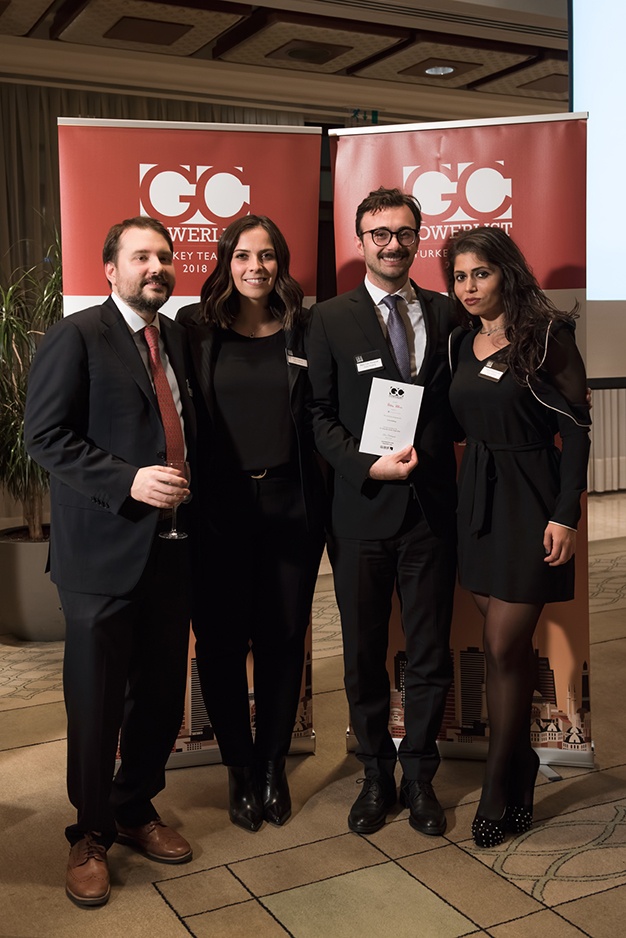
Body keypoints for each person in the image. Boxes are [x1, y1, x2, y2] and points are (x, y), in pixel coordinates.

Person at [24, 217, 196, 907]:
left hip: (173, 549)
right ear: (110, 270)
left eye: (164, 256)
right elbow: (45, 436)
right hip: (100, 555)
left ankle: (133, 807)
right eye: (141, 256)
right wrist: (128, 480)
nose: (156, 266)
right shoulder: (76, 336)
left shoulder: (175, 337)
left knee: (159, 694)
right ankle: (89, 832)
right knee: (96, 703)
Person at [306, 187, 458, 837]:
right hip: (360, 511)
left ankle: (420, 777)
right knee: (364, 655)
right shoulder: (329, 319)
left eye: (404, 233)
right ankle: (375, 773)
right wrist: (366, 465)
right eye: (380, 234)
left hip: (430, 512)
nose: (392, 245)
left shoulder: (449, 313)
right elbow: (318, 413)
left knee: (429, 654)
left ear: (418, 237)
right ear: (361, 241)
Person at [177, 215, 325, 832]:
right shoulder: (194, 328)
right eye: (242, 255)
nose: (255, 267)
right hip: (220, 507)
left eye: (266, 256)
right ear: (225, 261)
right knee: (219, 643)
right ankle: (238, 767)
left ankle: (271, 767)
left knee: (283, 640)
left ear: (280, 262)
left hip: (293, 504)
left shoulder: (306, 327)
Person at [446, 226, 591, 848]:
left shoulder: (547, 335)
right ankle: (524, 764)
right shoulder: (460, 341)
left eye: (480, 273)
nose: (469, 286)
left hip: (531, 499)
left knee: (502, 645)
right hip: (477, 500)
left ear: (506, 273)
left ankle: (498, 787)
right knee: (504, 646)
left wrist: (565, 515)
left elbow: (577, 430)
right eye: (459, 276)